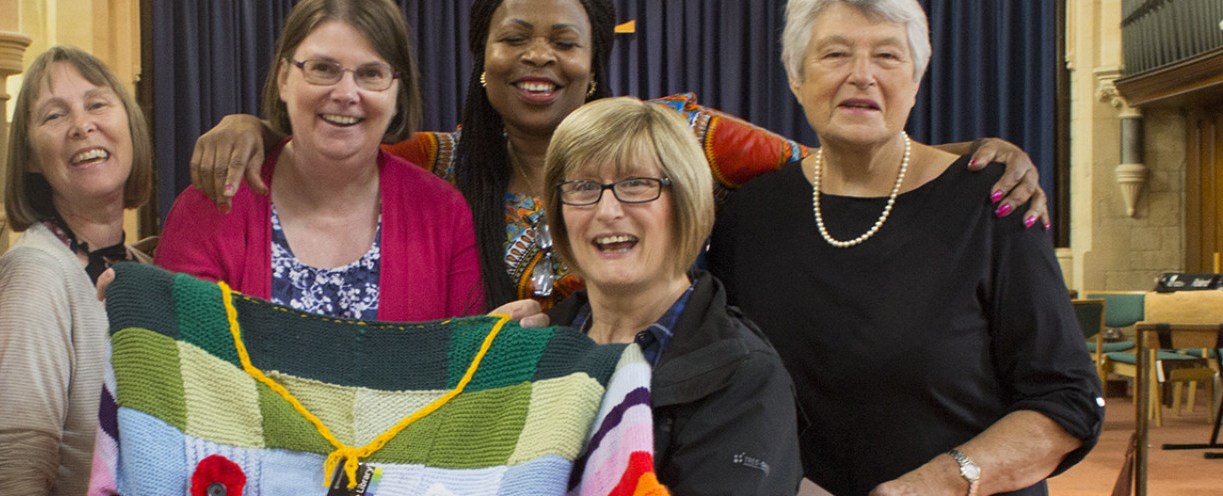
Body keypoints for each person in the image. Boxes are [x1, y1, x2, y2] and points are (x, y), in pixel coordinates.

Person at [188, 0, 1055, 308]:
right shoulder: (434, 162)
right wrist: (255, 131)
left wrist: (960, 157)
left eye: (562, 41)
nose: (538, 57)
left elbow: (833, 162)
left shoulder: (678, 131)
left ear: (594, 60)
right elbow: (337, 147)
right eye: (513, 38)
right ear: (480, 61)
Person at [707, 1, 1102, 494]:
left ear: (916, 81)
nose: (862, 75)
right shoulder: (750, 214)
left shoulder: (992, 202)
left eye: (888, 57)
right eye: (835, 54)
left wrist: (939, 482)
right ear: (795, 77)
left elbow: (1067, 398)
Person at [157, 0, 486, 321]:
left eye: (371, 73)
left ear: (398, 93)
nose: (345, 94)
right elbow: (185, 364)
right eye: (322, 69)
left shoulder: (446, 216)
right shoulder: (211, 206)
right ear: (284, 79)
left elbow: (463, 364)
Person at [542, 97, 800, 494]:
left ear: (685, 200)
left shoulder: (746, 377)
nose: (607, 210)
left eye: (635, 184)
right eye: (583, 186)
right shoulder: (533, 349)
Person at [0, 45, 155, 496]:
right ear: (32, 159)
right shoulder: (36, 272)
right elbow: (15, 469)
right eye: (54, 116)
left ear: (130, 126)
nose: (82, 125)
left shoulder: (145, 269)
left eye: (97, 104)